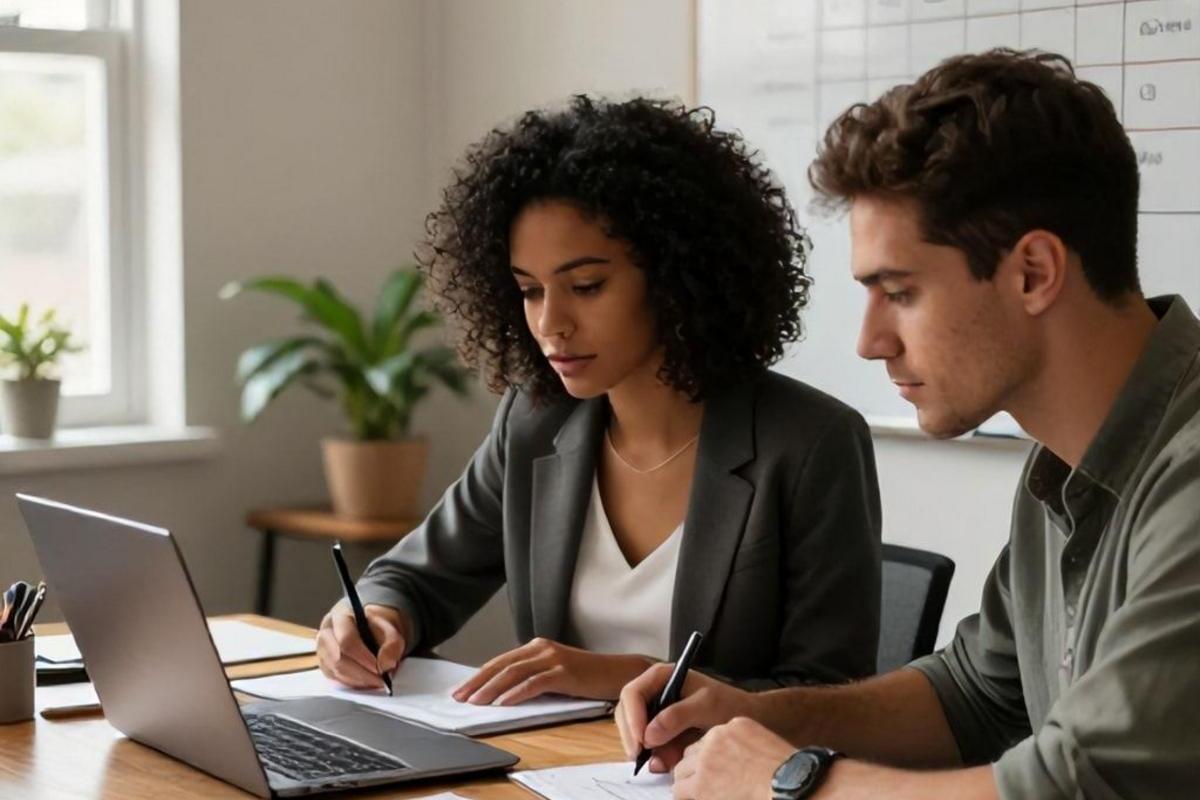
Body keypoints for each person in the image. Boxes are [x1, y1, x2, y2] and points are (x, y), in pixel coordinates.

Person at [617, 49, 1200, 799]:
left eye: (900, 291)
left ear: (1033, 272)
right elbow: (976, 693)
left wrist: (793, 782)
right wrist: (756, 715)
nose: (870, 341)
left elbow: (1080, 785)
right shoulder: (1063, 466)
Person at [316, 96, 882, 705]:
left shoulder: (810, 443)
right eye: (529, 291)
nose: (550, 322)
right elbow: (413, 578)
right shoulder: (534, 422)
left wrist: (617, 675)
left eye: (586, 286)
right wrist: (377, 616)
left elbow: (829, 698)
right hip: (556, 773)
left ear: (675, 273)